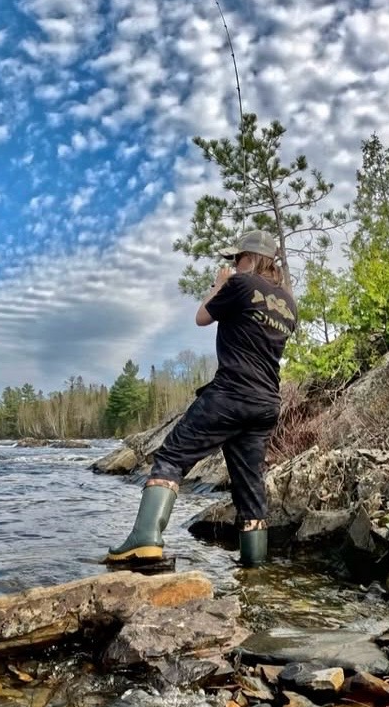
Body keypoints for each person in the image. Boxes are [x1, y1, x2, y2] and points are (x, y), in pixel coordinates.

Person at [106, 228, 298, 565]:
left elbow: (201, 317)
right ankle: (254, 567)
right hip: (266, 402)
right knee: (249, 486)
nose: (233, 265)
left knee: (171, 457)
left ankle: (146, 540)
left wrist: (218, 285)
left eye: (236, 259)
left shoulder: (240, 284)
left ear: (250, 258)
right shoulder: (289, 304)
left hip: (231, 394)